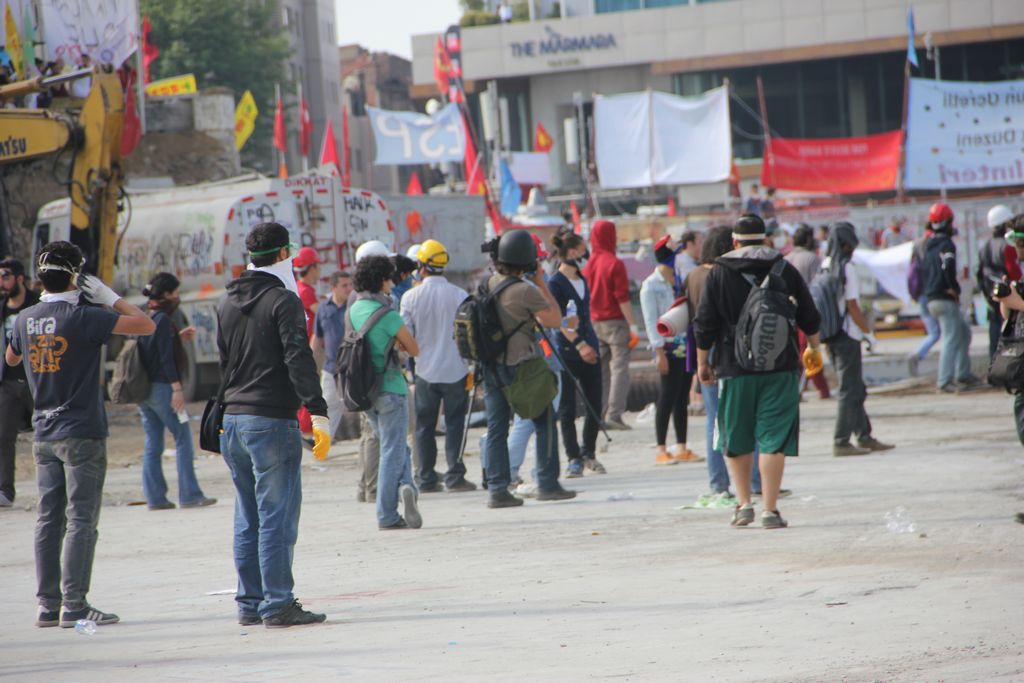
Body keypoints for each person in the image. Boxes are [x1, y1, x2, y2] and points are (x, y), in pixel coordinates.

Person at [5, 241, 156, 628]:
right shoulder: (85, 316)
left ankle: (46, 604)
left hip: (43, 431)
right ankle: (74, 604)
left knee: (47, 519)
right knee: (81, 519)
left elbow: (11, 359)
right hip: (81, 431)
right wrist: (111, 297)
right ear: (78, 276)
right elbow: (145, 324)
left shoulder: (24, 319)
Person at [217, 222, 331, 628]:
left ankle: (250, 602)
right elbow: (298, 359)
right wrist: (318, 410)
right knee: (276, 516)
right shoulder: (284, 301)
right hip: (270, 421)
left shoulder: (227, 301)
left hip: (233, 421)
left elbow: (224, 363)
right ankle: (278, 603)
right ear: (284, 255)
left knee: (248, 516)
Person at [694, 215, 822, 529]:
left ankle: (743, 505)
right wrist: (814, 349)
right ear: (766, 240)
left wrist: (701, 363)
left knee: (736, 438)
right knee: (773, 439)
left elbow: (704, 323)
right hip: (780, 366)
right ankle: (770, 510)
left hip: (733, 368)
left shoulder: (719, 273)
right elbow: (810, 316)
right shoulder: (784, 268)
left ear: (734, 242)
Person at [482, 230, 576, 508]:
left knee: (497, 427)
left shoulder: (489, 283)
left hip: (491, 367)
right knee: (544, 422)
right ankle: (547, 483)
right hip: (521, 367)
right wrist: (539, 281)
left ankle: (498, 489)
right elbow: (555, 318)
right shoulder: (524, 290)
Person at [349, 254, 423, 529]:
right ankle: (387, 514)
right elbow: (413, 349)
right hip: (391, 387)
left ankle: (407, 485)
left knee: (393, 445)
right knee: (392, 450)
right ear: (382, 281)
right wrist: (394, 341)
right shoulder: (388, 315)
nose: (392, 283)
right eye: (390, 278)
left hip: (365, 391)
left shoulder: (353, 310)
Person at [400, 239, 476, 493]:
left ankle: (426, 478)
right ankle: (455, 476)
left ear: (421, 266)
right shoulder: (460, 295)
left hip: (425, 371)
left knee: (424, 426)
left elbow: (406, 337)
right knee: (454, 423)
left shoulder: (410, 298)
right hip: (456, 369)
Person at [137, 273, 215, 510]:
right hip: (163, 389)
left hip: (144, 393)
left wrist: (177, 338)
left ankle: (155, 498)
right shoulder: (162, 319)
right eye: (176, 293)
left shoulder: (145, 315)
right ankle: (190, 495)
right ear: (167, 294)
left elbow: (151, 349)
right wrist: (177, 389)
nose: (178, 297)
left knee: (153, 443)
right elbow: (165, 358)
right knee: (183, 439)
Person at [819, 223, 894, 457]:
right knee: (849, 390)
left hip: (830, 335)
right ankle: (841, 441)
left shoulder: (825, 265)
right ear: (846, 244)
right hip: (848, 335)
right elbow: (852, 305)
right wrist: (868, 332)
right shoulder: (847, 267)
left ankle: (864, 435)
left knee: (855, 388)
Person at [685, 226, 747, 507]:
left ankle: (717, 483)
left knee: (714, 421)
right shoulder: (723, 275)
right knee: (742, 419)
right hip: (724, 353)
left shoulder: (693, 275)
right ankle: (753, 481)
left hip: (701, 352)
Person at [548, 229, 606, 478]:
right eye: (583, 250)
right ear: (571, 253)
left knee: (594, 403)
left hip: (591, 344)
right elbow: (560, 321)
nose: (586, 255)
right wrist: (580, 344)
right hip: (569, 351)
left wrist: (590, 344)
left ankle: (589, 452)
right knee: (567, 408)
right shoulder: (555, 283)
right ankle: (573, 457)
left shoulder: (582, 279)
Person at [640, 236, 702, 466]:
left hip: (684, 344)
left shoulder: (679, 280)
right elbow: (649, 320)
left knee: (682, 396)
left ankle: (682, 446)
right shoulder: (650, 285)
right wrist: (658, 352)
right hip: (666, 347)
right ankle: (661, 448)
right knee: (666, 396)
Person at [583, 219, 638, 431]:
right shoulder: (615, 264)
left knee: (602, 372)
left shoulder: (588, 266)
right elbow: (622, 298)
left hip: (594, 323)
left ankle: (598, 414)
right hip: (615, 322)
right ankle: (614, 414)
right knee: (619, 369)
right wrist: (633, 326)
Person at [921, 203, 981, 394]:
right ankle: (945, 380)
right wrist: (953, 288)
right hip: (944, 298)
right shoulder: (947, 245)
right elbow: (948, 268)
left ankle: (963, 374)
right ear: (949, 222)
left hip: (931, 298)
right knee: (951, 337)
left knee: (963, 333)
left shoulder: (927, 246)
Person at [351, 240, 390, 503]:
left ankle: (364, 487)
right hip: (378, 379)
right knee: (378, 438)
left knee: (368, 436)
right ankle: (374, 489)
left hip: (359, 379)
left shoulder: (353, 303)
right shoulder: (380, 305)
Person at [0, 258, 39, 508]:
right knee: (3, 437)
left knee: (51, 435)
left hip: (38, 380)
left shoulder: (38, 305)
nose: (1, 282)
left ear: (20, 278)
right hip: (7, 382)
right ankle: (4, 490)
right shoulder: (1, 308)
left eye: (5, 275)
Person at [785, 225, 830, 400]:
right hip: (806, 311)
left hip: (788, 312)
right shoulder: (812, 259)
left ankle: (801, 389)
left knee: (795, 353)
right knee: (810, 351)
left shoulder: (786, 258)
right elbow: (817, 289)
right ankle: (821, 389)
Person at [311, 270, 353, 439]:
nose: (349, 289)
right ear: (334, 288)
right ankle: (321, 444)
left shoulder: (355, 308)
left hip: (352, 368)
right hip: (330, 368)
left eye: (350, 285)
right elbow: (317, 336)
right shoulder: (323, 309)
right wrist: (308, 361)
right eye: (344, 285)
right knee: (327, 407)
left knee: (362, 408)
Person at [977, 204, 1021, 360]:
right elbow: (1014, 272)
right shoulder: (1006, 247)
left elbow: (979, 274)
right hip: (1009, 296)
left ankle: (994, 364)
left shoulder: (984, 247)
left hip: (992, 295)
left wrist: (986, 295)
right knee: (1010, 330)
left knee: (994, 331)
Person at [292, 246, 320, 438]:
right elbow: (322, 313)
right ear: (311, 268)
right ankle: (305, 430)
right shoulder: (306, 291)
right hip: (310, 347)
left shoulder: (300, 288)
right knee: (310, 387)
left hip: (305, 345)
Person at [906, 223, 941, 376]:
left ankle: (917, 354)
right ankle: (917, 354)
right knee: (940, 332)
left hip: (921, 295)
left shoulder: (917, 245)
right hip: (931, 294)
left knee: (935, 331)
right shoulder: (933, 246)